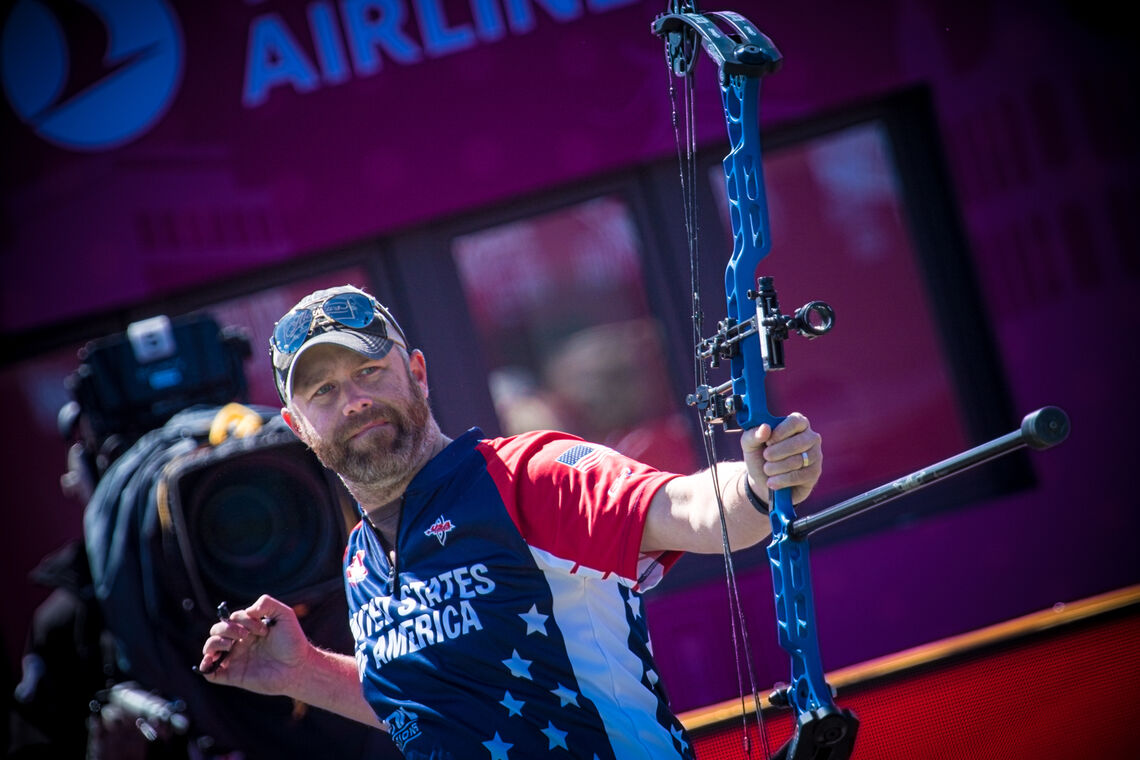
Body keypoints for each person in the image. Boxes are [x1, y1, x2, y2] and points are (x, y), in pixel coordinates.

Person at [197, 285, 823, 759]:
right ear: (297, 425)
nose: (354, 399)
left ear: (416, 371)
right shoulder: (360, 558)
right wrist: (302, 672)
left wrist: (758, 484)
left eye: (368, 371)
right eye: (323, 392)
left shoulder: (527, 475)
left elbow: (690, 509)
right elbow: (436, 702)